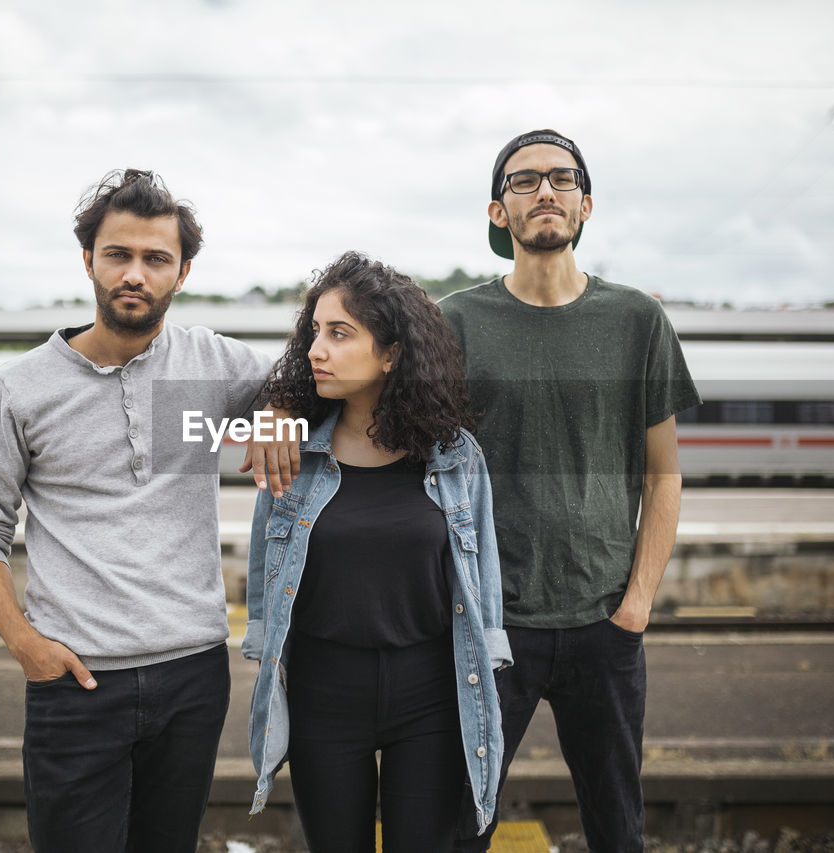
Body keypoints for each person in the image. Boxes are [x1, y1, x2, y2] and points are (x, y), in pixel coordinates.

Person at [0, 169, 274, 853]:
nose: (136, 273)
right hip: (75, 680)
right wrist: (23, 643)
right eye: (118, 254)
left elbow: (316, 393)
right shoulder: (20, 387)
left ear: (182, 272)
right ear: (88, 260)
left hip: (194, 673)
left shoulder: (213, 363)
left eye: (156, 258)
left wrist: (278, 415)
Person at [442, 130, 702, 852]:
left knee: (617, 825)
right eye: (525, 182)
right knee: (462, 823)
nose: (546, 191)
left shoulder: (637, 321)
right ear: (500, 212)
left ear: (586, 204)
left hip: (605, 621)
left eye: (562, 179)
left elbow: (663, 473)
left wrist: (637, 604)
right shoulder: (456, 321)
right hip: (494, 622)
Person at [242, 252, 512, 853]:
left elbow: (483, 569)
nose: (318, 349)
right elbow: (264, 561)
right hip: (323, 691)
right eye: (315, 331)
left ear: (391, 354)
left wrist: (490, 656)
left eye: (340, 334)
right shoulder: (293, 447)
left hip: (432, 693)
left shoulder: (454, 455)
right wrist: (273, 415)